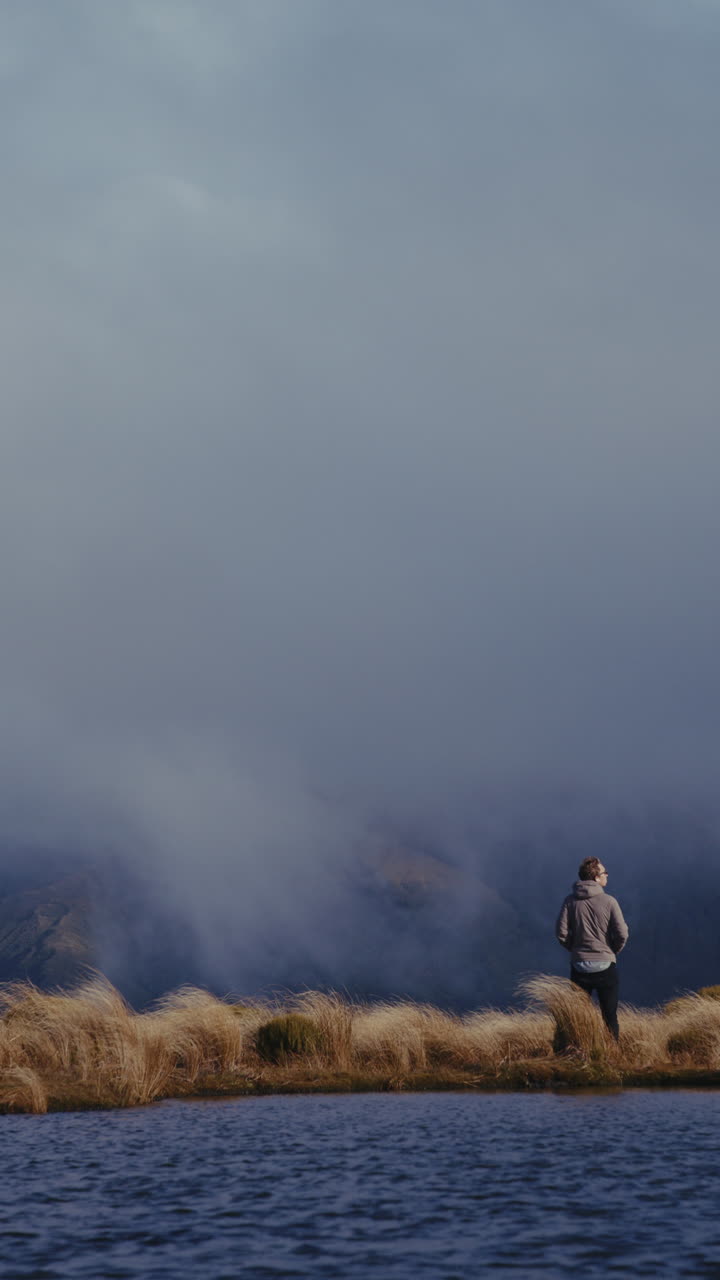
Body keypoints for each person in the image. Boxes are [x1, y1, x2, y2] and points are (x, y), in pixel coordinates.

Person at [555, 856, 629, 1040]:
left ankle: (576, 1052)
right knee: (609, 1016)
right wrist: (612, 951)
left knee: (578, 1016)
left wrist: (575, 950)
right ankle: (612, 1054)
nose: (607, 876)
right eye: (605, 873)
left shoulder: (570, 901)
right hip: (605, 965)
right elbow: (622, 933)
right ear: (596, 878)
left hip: (579, 966)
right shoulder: (609, 901)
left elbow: (561, 932)